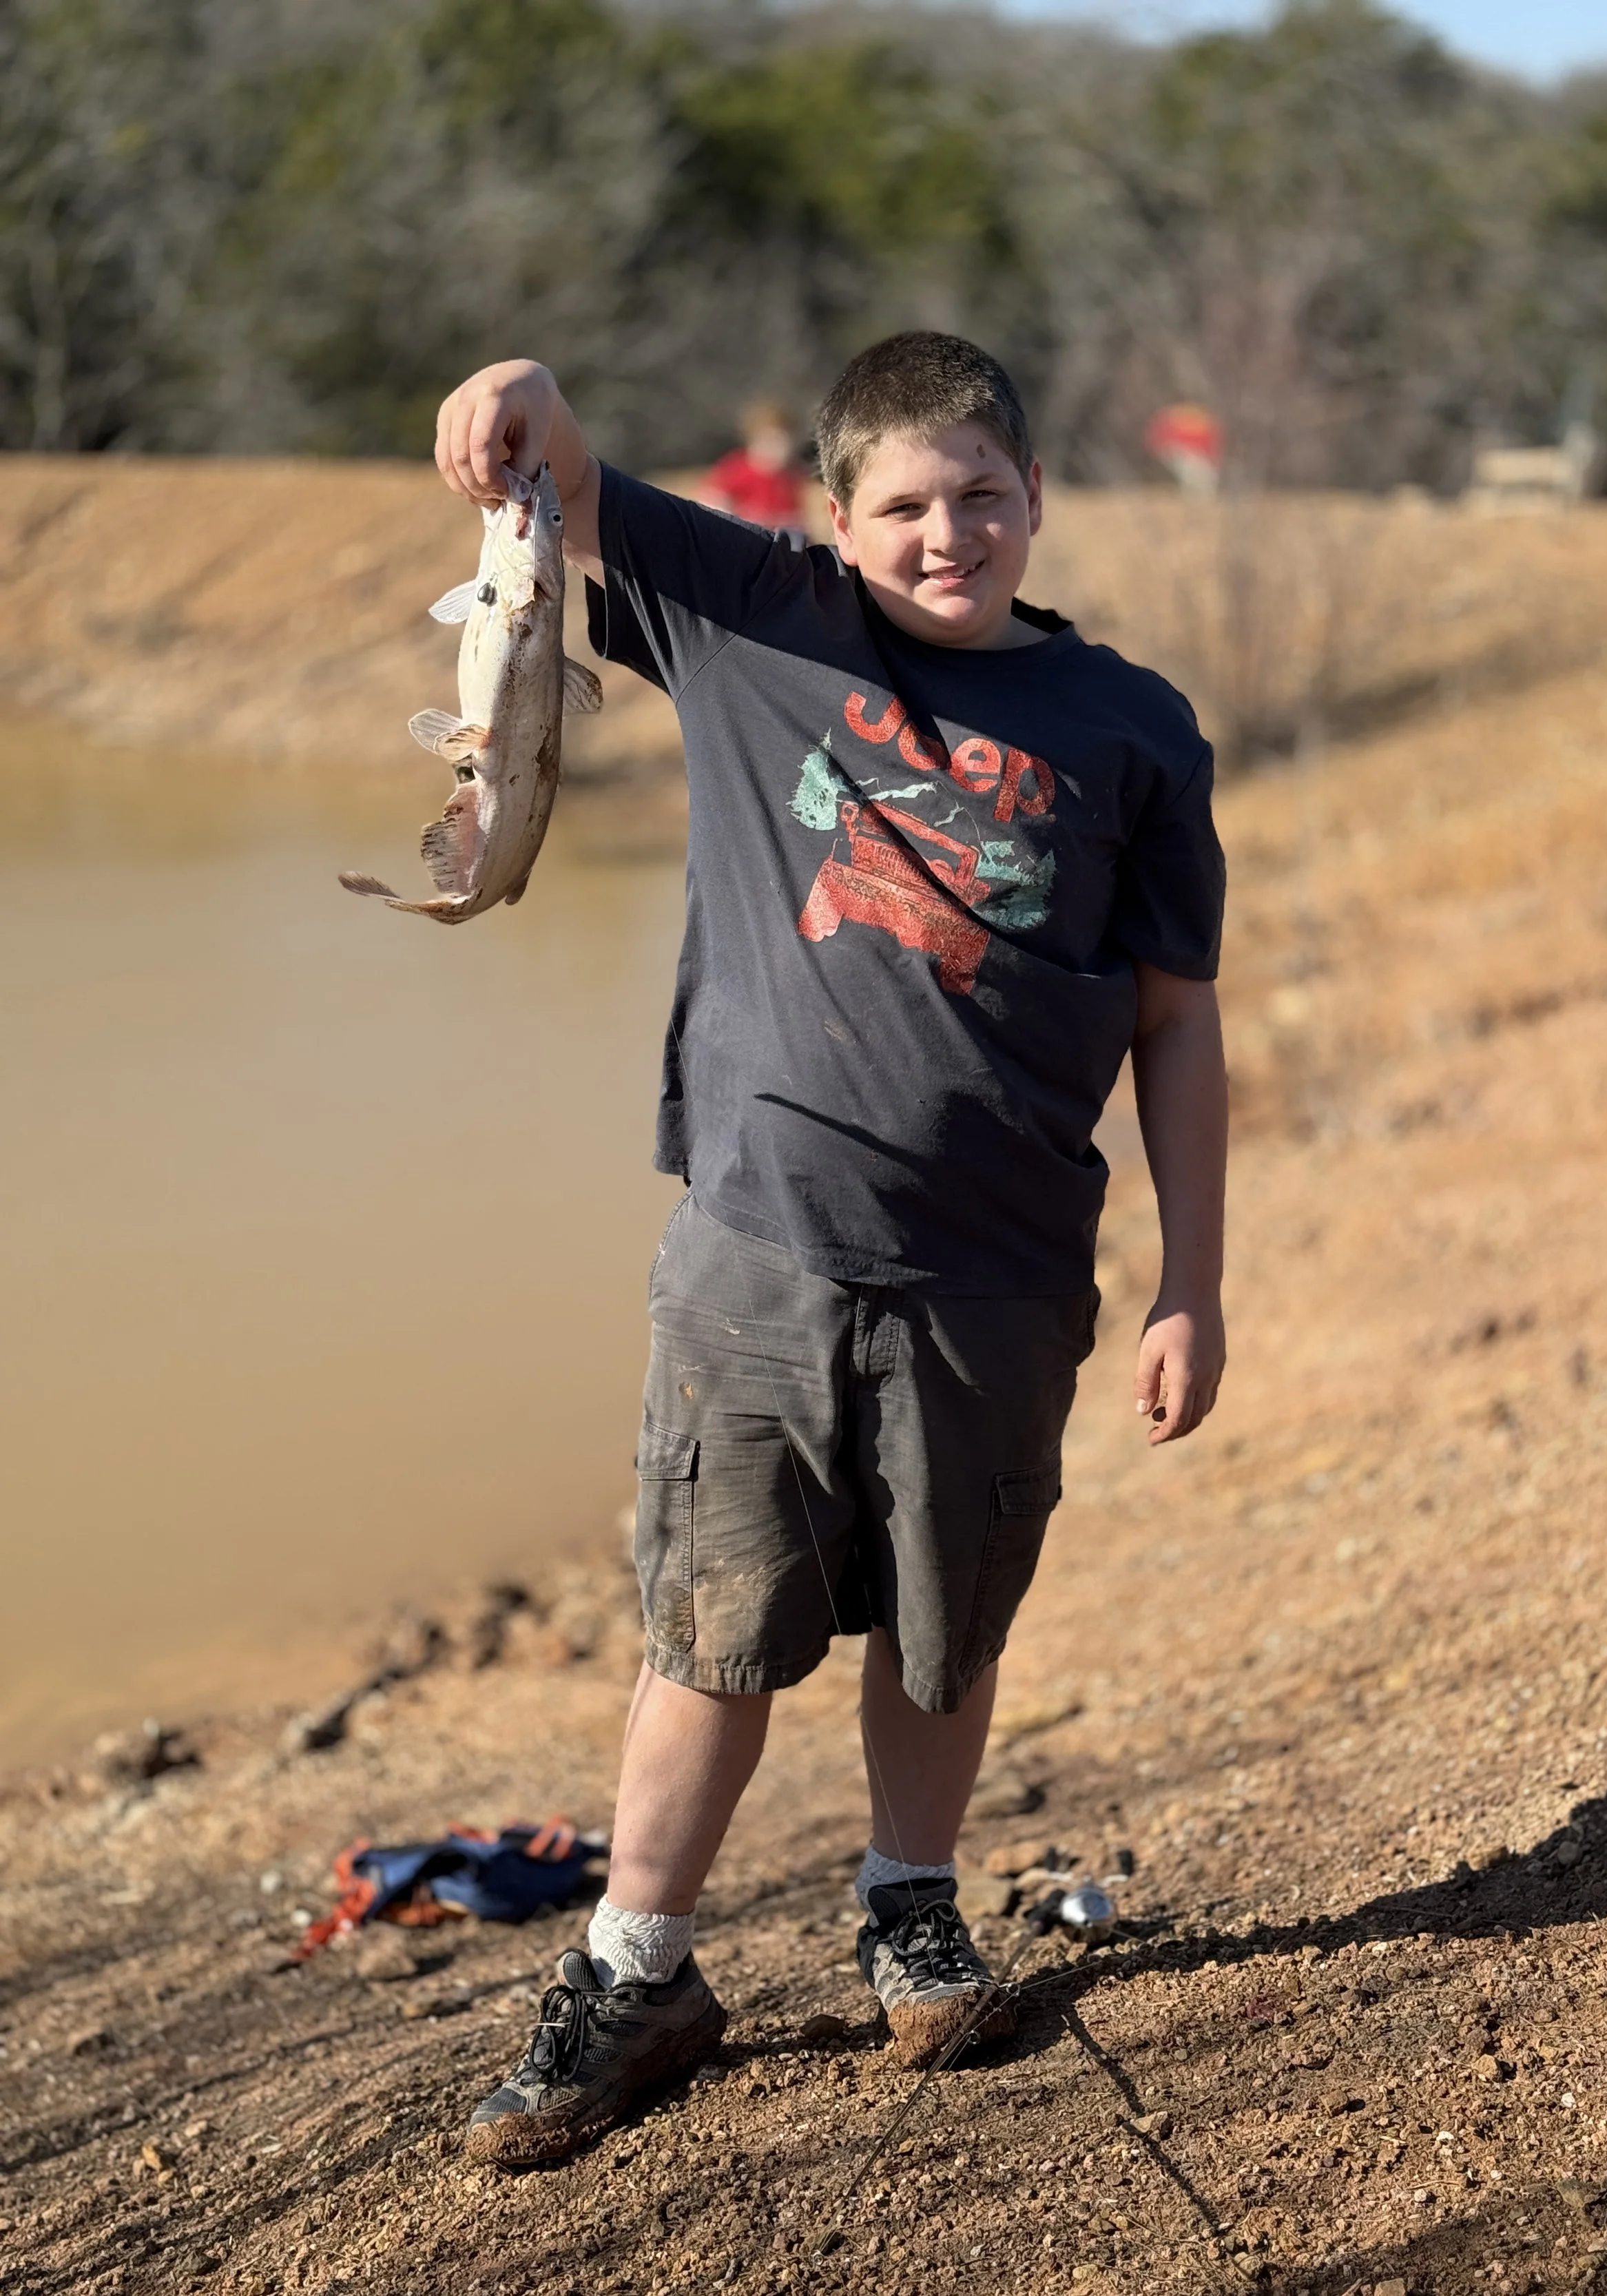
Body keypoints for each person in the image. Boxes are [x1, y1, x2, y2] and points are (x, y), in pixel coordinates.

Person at [433, 332, 1228, 2167]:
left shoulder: (1133, 728)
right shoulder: (754, 622)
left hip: (1006, 1269)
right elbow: (549, 463)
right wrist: (514, 390)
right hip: (758, 1249)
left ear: (1033, 498)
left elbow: (1176, 1026)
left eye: (980, 495)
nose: (946, 531)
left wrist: (1191, 1278)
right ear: (831, 514)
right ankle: (639, 1966)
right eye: (902, 503)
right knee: (711, 1631)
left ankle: (910, 1900)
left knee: (944, 1633)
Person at [697, 398, 809, 541]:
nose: (779, 450)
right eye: (771, 441)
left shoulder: (792, 474)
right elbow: (712, 498)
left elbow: (797, 514)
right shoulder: (738, 468)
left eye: (785, 443)